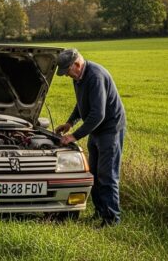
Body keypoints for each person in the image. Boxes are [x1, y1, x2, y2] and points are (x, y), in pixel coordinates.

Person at [54, 48, 126, 226]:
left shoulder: (95, 76)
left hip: (110, 130)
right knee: (93, 173)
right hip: (96, 130)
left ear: (77, 65)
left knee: (107, 176)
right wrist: (70, 122)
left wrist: (74, 136)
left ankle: (111, 220)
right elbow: (82, 103)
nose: (66, 76)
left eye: (67, 72)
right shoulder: (79, 78)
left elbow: (98, 114)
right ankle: (100, 212)